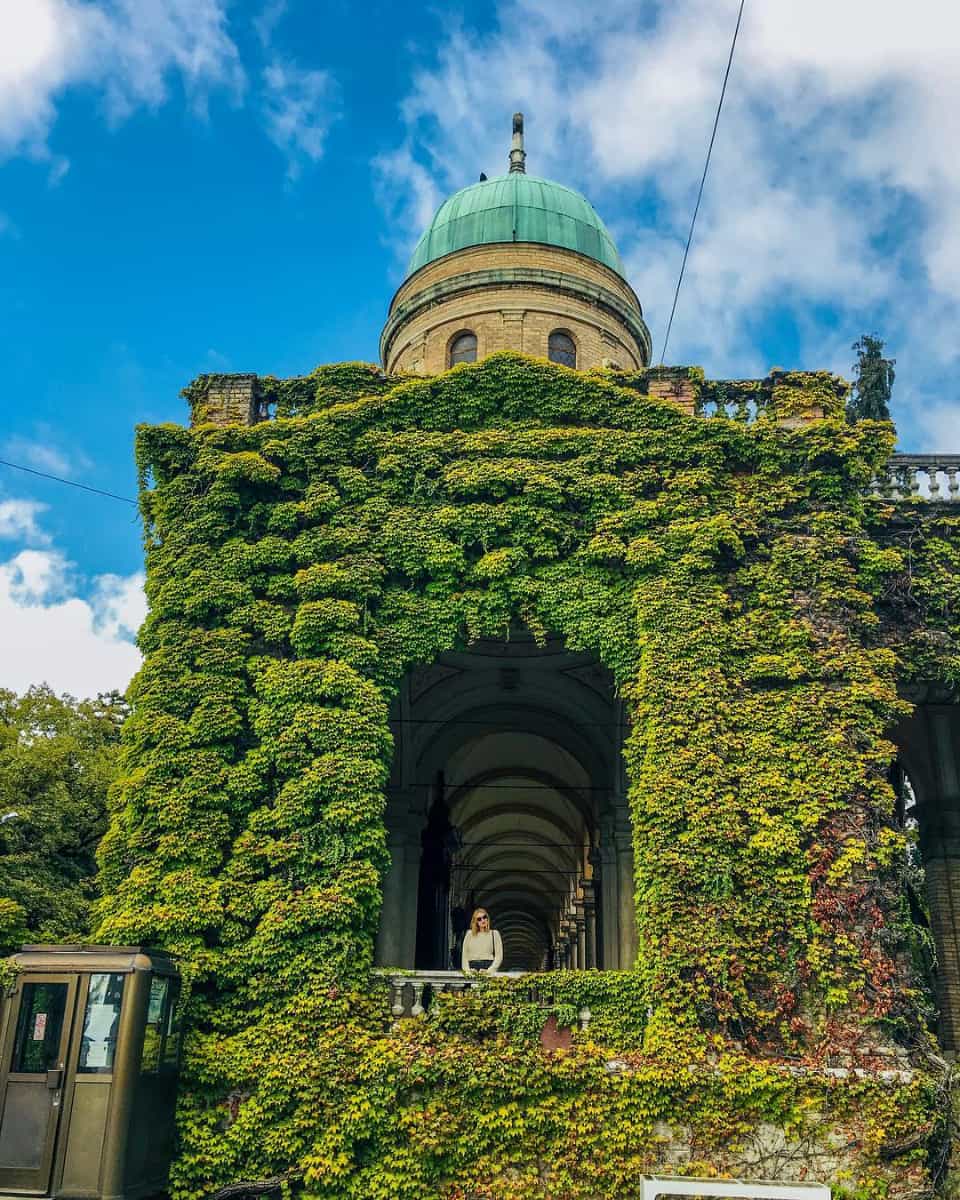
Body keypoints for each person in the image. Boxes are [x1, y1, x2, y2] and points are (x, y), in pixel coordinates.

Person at [461, 908, 503, 974]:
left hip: (488, 966)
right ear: (475, 922)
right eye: (479, 919)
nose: (482, 920)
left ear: (487, 918)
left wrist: (490, 970)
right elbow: (464, 955)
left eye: (484, 917)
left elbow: (499, 956)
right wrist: (467, 971)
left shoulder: (494, 934)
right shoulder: (469, 934)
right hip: (472, 967)